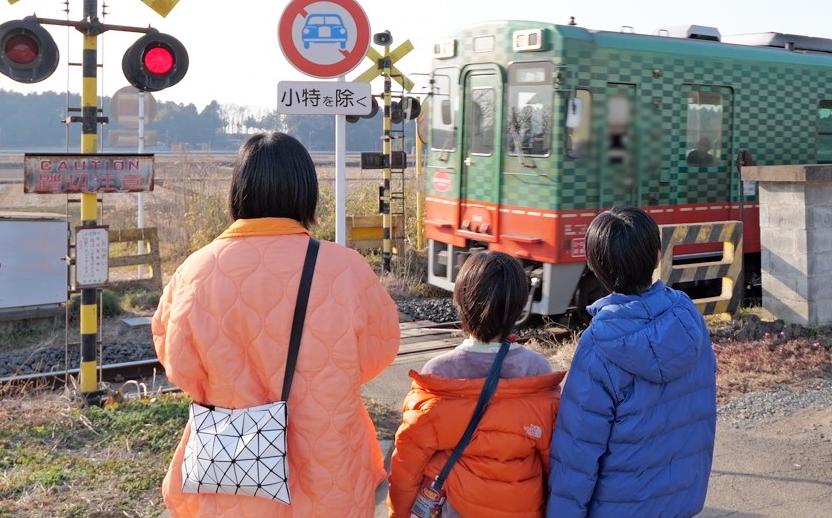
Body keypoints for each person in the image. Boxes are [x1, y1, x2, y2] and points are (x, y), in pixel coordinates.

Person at [152, 131, 401, 517]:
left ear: (238, 191)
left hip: (236, 462)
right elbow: (377, 353)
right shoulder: (344, 268)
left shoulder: (196, 271)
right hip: (329, 459)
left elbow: (180, 367)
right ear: (306, 193)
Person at [547, 207, 717, 518]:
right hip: (681, 501)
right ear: (657, 256)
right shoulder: (688, 318)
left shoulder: (600, 344)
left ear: (594, 265)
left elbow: (578, 449)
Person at [388, 251, 564, 518]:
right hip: (522, 508)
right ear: (518, 308)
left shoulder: (439, 373)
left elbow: (408, 463)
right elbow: (553, 460)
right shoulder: (536, 371)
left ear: (460, 303)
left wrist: (399, 513)